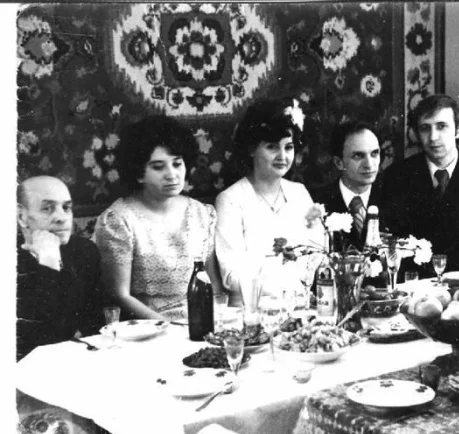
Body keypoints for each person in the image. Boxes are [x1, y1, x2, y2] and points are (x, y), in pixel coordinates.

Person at [94, 115, 222, 321]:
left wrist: (211, 322)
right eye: (158, 167)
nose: (172, 174)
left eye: (177, 164)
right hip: (150, 326)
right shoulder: (118, 220)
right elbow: (120, 295)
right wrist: (169, 327)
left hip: (201, 321)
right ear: (139, 173)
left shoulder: (202, 213)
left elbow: (212, 283)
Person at [215, 98, 322, 308]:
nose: (282, 156)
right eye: (272, 147)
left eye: (288, 147)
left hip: (300, 306)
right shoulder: (231, 200)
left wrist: (298, 292)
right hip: (251, 310)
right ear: (252, 149)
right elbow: (231, 274)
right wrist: (285, 287)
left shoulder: (299, 193)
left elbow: (317, 252)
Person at [381, 94, 459, 274]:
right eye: (425, 128)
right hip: (414, 281)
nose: (433, 137)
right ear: (416, 134)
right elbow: (393, 243)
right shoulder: (397, 175)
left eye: (441, 126)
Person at [16, 176, 103, 361]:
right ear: (22, 216)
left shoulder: (85, 250)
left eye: (66, 208)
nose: (61, 218)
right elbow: (46, 337)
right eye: (47, 208)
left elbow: (97, 321)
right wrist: (49, 263)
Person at [310, 120, 383, 251]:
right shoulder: (315, 202)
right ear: (339, 163)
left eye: (374, 153)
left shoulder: (394, 198)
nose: (369, 164)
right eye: (358, 156)